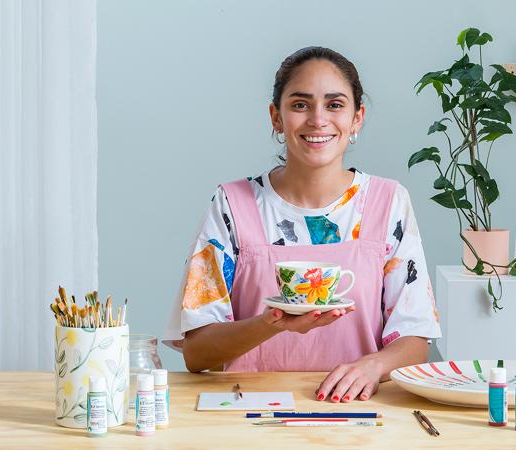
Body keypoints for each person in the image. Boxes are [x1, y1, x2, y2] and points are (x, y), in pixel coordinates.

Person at [163, 46, 441, 403]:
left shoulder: (389, 203)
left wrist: (372, 367)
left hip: (359, 412)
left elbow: (415, 340)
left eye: (335, 105)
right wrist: (271, 322)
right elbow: (197, 353)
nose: (318, 119)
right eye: (299, 104)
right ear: (276, 118)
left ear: (357, 118)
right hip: (247, 413)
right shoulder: (232, 205)